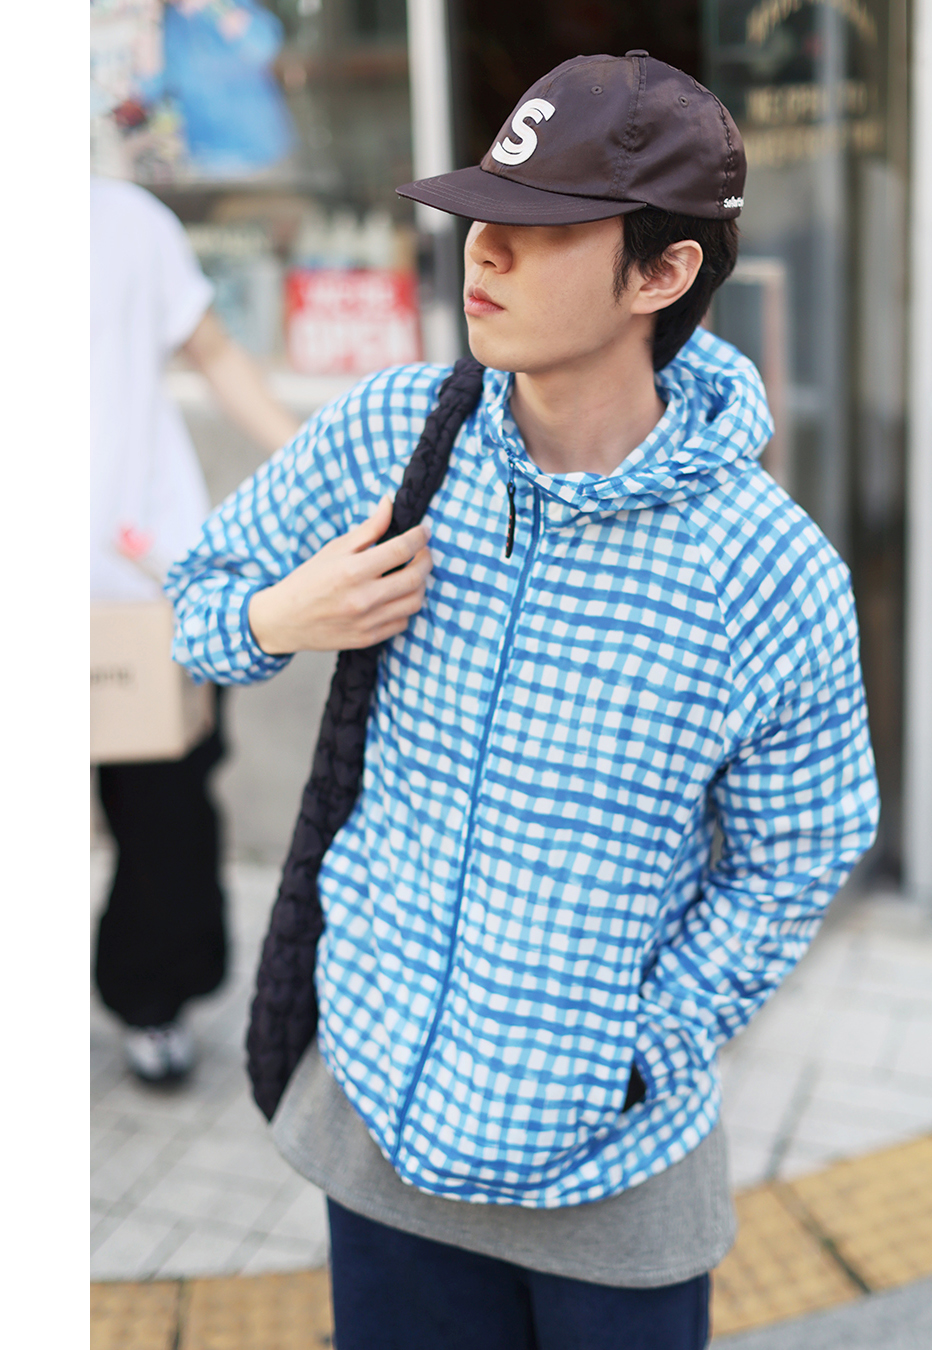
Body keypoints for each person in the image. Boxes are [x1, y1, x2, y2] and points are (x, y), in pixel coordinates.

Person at [165, 52, 879, 1350]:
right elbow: (196, 605)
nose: (481, 249)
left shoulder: (765, 572)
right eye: (481, 211)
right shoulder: (395, 437)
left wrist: (641, 1047)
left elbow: (802, 851)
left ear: (661, 273)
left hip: (610, 1180)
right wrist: (285, 617)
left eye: (542, 226)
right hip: (380, 1126)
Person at [91, 174, 300, 1083]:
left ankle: (155, 1003)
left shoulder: (130, 222)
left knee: (166, 813)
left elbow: (213, 350)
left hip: (146, 584)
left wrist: (312, 459)